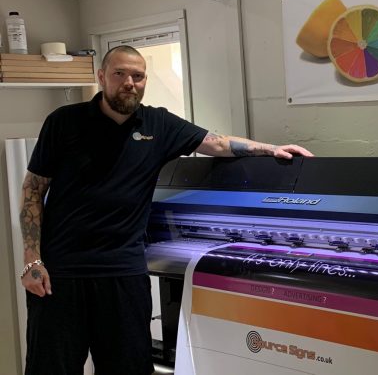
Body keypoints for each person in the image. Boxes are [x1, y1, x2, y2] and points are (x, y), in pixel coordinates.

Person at [18, 45, 313, 375]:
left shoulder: (158, 123)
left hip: (124, 273)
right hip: (60, 274)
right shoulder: (64, 122)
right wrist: (32, 259)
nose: (129, 82)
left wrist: (272, 149)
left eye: (138, 76)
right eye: (119, 74)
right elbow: (33, 190)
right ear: (101, 77)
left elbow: (217, 143)